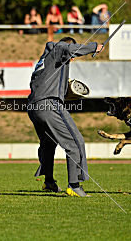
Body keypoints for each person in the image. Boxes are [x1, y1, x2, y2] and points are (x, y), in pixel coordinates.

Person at [27, 37, 103, 197]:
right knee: (75, 142)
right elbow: (68, 49)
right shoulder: (58, 48)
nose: (72, 58)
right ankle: (74, 185)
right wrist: (94, 47)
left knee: (48, 144)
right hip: (48, 104)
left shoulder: (44, 61)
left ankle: (49, 182)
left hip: (33, 106)